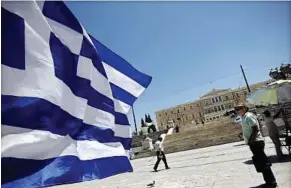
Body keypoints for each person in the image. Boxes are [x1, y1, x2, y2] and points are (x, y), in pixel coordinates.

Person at [235, 104, 277, 188]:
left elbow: (255, 129)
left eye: (239, 108)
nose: (237, 110)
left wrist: (251, 141)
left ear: (244, 108)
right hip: (254, 142)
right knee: (261, 162)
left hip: (256, 142)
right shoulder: (244, 117)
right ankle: (268, 181)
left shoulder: (249, 116)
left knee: (263, 162)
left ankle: (271, 182)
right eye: (236, 109)